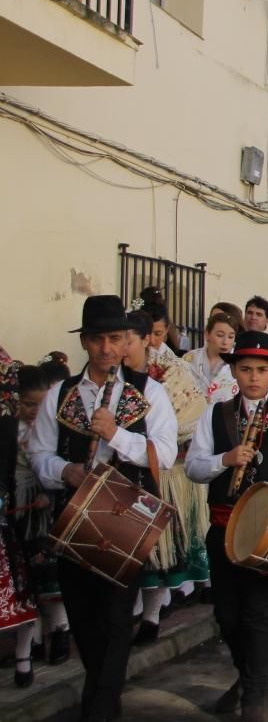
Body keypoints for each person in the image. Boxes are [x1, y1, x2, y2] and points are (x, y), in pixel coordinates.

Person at [27, 295, 178, 722]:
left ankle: (99, 709)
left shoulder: (150, 392)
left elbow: (164, 456)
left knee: (114, 619)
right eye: (98, 339)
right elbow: (38, 455)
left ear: (128, 340)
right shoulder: (62, 393)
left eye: (115, 338)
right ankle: (103, 697)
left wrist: (116, 435)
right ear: (86, 342)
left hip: (126, 520)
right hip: (74, 519)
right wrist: (66, 470)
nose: (107, 348)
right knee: (85, 617)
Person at [184, 330, 268, 721]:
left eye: (262, 369)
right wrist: (223, 460)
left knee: (259, 612)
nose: (254, 377)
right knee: (227, 615)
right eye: (245, 369)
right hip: (224, 530)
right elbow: (193, 468)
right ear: (234, 371)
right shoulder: (215, 413)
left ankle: (254, 700)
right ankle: (247, 678)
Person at [124, 311, 210, 645]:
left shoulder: (172, 372)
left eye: (127, 338)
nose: (120, 345)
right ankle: (131, 611)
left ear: (146, 339)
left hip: (163, 472)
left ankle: (151, 615)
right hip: (125, 473)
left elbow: (193, 412)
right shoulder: (111, 378)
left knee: (159, 550)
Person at [6, 365, 72, 671]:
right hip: (17, 510)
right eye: (29, 404)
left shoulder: (53, 429)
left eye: (40, 404)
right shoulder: (8, 431)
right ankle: (29, 642)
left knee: (50, 574)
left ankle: (59, 630)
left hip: (48, 511)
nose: (34, 411)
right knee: (25, 577)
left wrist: (49, 491)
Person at [0, 367, 46, 688]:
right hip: (9, 512)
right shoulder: (7, 425)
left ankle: (25, 655)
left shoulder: (38, 429)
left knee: (26, 584)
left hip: (23, 518)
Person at [185, 312, 239, 402]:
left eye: (230, 337)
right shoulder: (191, 358)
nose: (225, 342)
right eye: (220, 335)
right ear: (207, 334)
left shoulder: (238, 363)